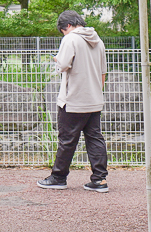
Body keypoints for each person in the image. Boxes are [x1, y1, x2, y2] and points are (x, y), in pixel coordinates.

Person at [36, 10, 109, 192]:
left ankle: (58, 177)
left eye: (62, 30)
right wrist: (97, 93)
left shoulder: (70, 39)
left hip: (74, 99)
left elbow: (62, 65)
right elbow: (103, 72)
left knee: (67, 140)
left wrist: (56, 58)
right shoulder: (97, 40)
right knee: (94, 138)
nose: (63, 34)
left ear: (67, 26)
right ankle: (99, 180)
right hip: (94, 99)